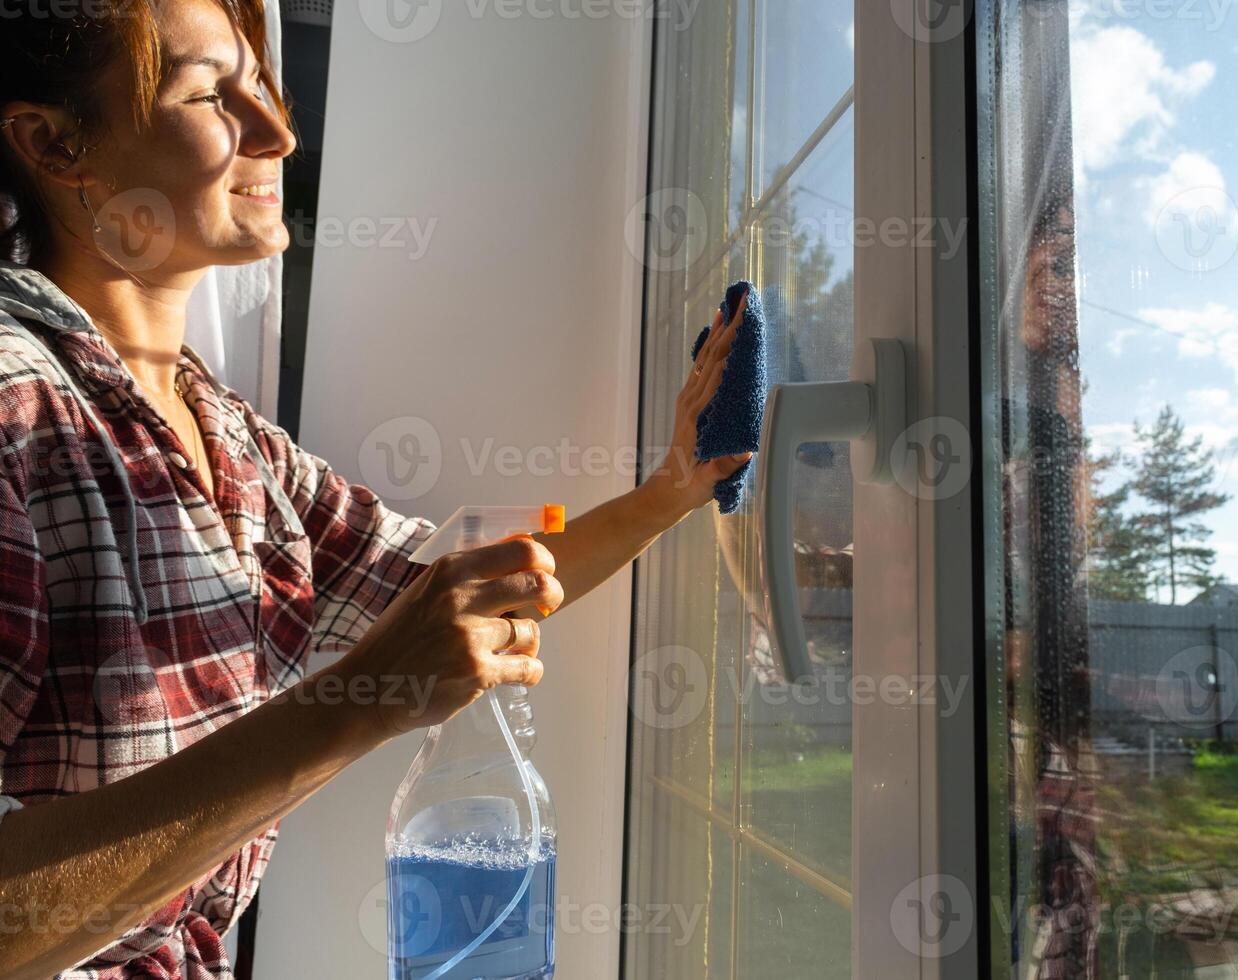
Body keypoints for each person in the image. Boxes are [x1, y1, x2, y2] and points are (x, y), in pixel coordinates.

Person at [0, 0, 753, 975]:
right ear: (55, 143)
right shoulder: (20, 410)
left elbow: (449, 581)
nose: (277, 130)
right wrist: (360, 701)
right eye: (211, 95)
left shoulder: (225, 435)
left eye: (260, 85)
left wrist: (671, 489)